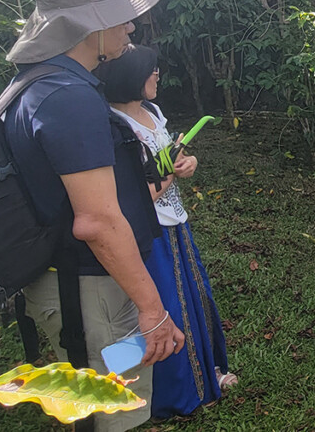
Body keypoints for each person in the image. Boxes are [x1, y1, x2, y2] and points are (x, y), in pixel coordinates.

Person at [4, 0, 183, 432]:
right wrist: (153, 310)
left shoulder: (37, 84)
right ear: (90, 27)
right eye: (119, 17)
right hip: (90, 287)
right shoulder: (70, 98)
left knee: (95, 403)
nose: (130, 26)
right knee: (117, 412)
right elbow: (97, 221)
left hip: (71, 279)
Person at [95, 45, 237, 417]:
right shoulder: (111, 125)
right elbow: (128, 198)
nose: (157, 75)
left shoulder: (153, 112)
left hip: (176, 223)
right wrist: (170, 174)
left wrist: (186, 162)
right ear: (129, 75)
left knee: (195, 298)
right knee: (163, 310)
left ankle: (207, 373)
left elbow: (172, 159)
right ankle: (166, 394)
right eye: (151, 69)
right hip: (146, 234)